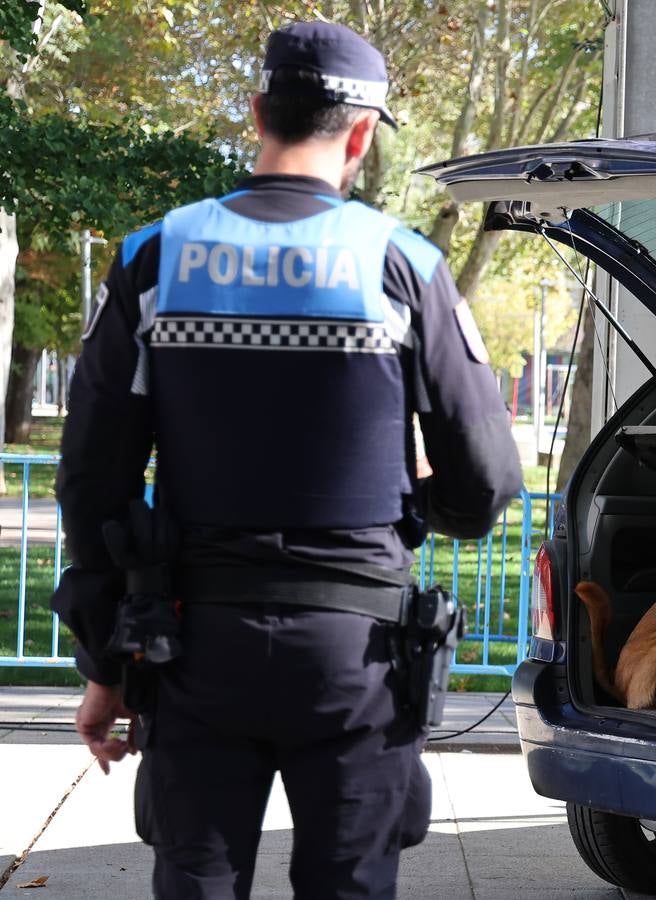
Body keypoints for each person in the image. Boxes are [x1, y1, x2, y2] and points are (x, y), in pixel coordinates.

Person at [52, 21, 522, 899]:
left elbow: (91, 483)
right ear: (359, 134)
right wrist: (433, 508)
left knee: (195, 880)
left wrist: (104, 667)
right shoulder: (405, 266)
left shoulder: (153, 259)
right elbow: (486, 483)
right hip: (359, 654)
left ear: (258, 111)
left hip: (191, 646)